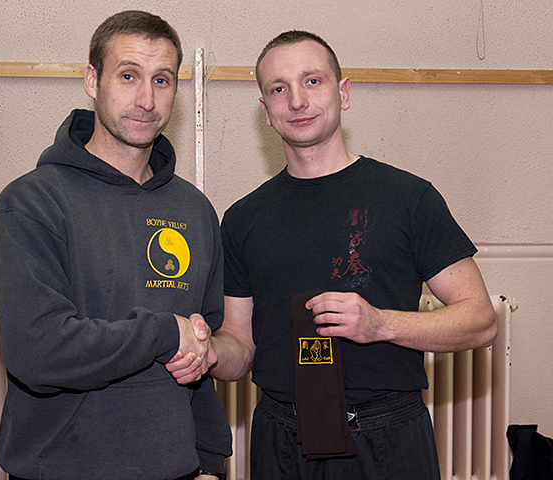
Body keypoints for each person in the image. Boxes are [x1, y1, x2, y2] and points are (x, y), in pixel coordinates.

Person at [167, 30, 497, 479]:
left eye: (313, 81)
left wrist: (380, 323)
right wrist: (206, 353)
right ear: (265, 111)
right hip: (280, 441)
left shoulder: (408, 198)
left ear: (343, 93)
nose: (297, 101)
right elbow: (242, 347)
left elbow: (480, 320)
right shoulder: (243, 219)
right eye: (279, 89)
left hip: (388, 437)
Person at [0, 10, 231, 480]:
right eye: (128, 76)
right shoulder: (32, 202)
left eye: (162, 80)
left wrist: (211, 462)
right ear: (92, 80)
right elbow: (38, 351)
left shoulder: (194, 210)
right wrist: (162, 331)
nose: (146, 99)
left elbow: (200, 351)